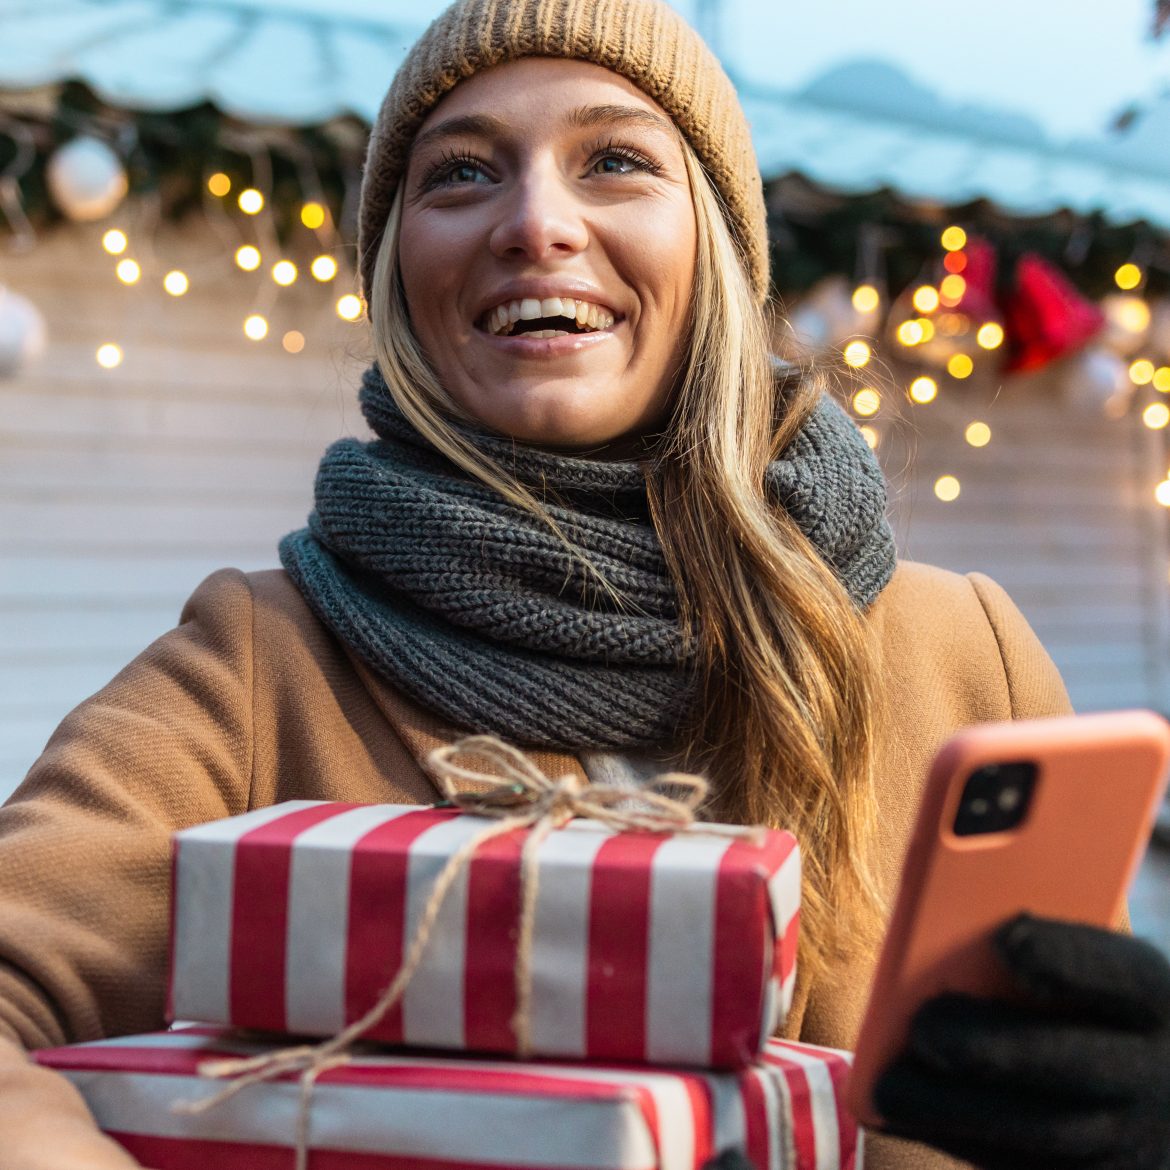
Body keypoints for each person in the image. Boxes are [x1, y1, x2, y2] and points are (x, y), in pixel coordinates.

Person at [1, 1, 1168, 1168]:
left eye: (614, 160)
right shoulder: (261, 667)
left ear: (714, 244)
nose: (537, 223)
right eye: (461, 174)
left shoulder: (963, 652)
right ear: (398, 268)